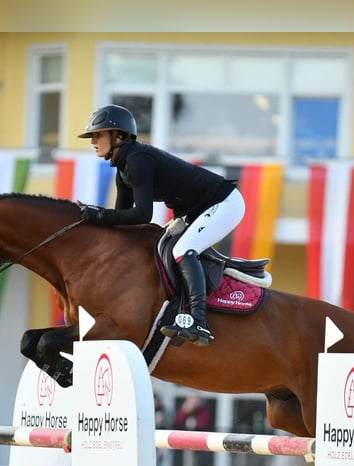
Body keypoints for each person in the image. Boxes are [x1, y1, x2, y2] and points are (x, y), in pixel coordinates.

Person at [76, 104, 246, 347]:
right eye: (92, 136)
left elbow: (142, 214)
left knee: (181, 250)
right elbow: (121, 222)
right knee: (160, 247)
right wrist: (92, 224)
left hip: (224, 203)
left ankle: (198, 320)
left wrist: (98, 216)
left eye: (98, 134)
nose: (93, 141)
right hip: (197, 210)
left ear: (119, 136)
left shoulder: (137, 160)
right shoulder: (122, 168)